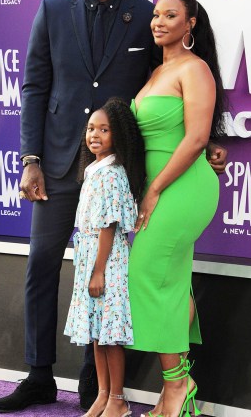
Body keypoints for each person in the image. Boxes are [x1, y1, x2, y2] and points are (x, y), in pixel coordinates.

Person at [0, 0, 227, 413]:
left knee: (106, 275)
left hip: (120, 176)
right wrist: (29, 158)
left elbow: (182, 94)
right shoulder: (52, 11)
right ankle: (38, 375)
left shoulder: (145, 15)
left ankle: (94, 384)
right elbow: (35, 86)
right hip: (57, 165)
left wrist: (210, 142)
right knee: (42, 265)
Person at [126, 0, 227, 417]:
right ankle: (179, 389)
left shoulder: (195, 68)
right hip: (160, 185)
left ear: (190, 25)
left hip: (183, 186)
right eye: (155, 15)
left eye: (171, 15)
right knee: (170, 282)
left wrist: (154, 189)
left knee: (146, 274)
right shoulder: (153, 74)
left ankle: (177, 385)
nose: (159, 21)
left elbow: (197, 139)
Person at [64, 98, 145, 417]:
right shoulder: (94, 169)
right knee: (98, 333)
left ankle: (118, 399)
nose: (94, 134)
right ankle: (101, 395)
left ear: (118, 135)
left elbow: (109, 226)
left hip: (106, 261)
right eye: (91, 128)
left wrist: (97, 272)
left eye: (104, 129)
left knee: (110, 335)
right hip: (91, 257)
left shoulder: (112, 173)